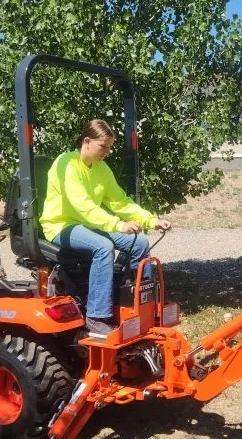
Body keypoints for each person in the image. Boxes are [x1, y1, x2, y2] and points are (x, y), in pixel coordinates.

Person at [39, 119, 172, 336]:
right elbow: (83, 206)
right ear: (87, 142)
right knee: (103, 246)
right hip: (60, 225)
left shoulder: (101, 168)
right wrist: (118, 225)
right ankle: (97, 316)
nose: (107, 152)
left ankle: (139, 303)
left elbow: (120, 202)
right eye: (103, 147)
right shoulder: (66, 164)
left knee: (139, 243)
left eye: (109, 147)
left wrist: (151, 220)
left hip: (88, 224)